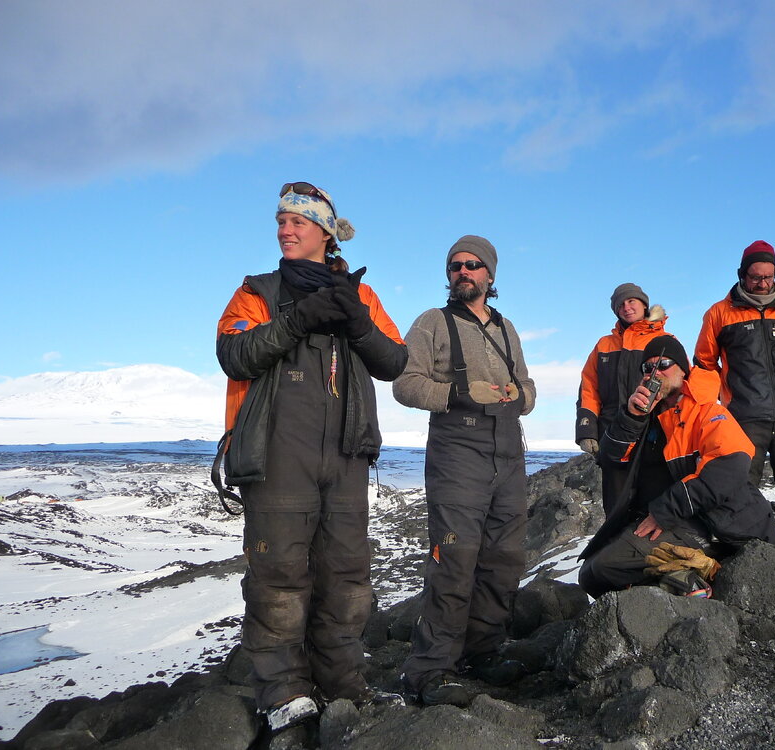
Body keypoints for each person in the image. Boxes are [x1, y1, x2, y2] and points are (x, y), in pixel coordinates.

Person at [216, 182, 407, 745]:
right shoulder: (256, 291)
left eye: (297, 222)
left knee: (346, 575)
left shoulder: (361, 295)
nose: (285, 230)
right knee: (279, 576)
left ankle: (341, 679)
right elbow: (235, 352)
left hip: (346, 457)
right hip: (278, 455)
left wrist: (355, 322)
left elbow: (394, 361)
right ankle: (281, 692)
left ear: (325, 230)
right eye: (280, 221)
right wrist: (300, 319)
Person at [392, 235, 536, 707]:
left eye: (473, 265)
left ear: (490, 275)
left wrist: (521, 396)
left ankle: (484, 650)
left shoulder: (507, 327)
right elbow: (405, 383)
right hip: (458, 449)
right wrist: (457, 393)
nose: (464, 271)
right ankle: (431, 668)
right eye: (456, 265)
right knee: (454, 558)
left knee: (503, 556)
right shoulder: (432, 323)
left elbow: (529, 386)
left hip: (508, 448)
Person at [578, 335, 775, 599]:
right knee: (590, 575)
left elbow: (727, 472)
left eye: (663, 365)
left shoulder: (708, 412)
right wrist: (631, 417)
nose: (654, 373)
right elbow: (610, 459)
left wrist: (662, 512)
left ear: (683, 369)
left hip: (717, 525)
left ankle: (705, 575)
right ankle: (674, 581)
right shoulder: (647, 416)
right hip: (671, 520)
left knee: (604, 568)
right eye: (647, 368)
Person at [694, 240, 775, 558]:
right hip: (743, 417)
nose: (763, 283)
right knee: (740, 489)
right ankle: (743, 558)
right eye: (756, 277)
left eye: (768, 276)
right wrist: (709, 408)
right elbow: (704, 364)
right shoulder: (719, 313)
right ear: (742, 274)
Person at [576, 283, 670, 515]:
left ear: (644, 304)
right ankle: (613, 549)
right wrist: (587, 429)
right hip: (611, 434)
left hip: (654, 434)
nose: (627, 307)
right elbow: (589, 388)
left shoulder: (665, 341)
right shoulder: (604, 345)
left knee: (651, 505)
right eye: (621, 304)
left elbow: (681, 387)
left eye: (632, 301)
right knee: (616, 506)